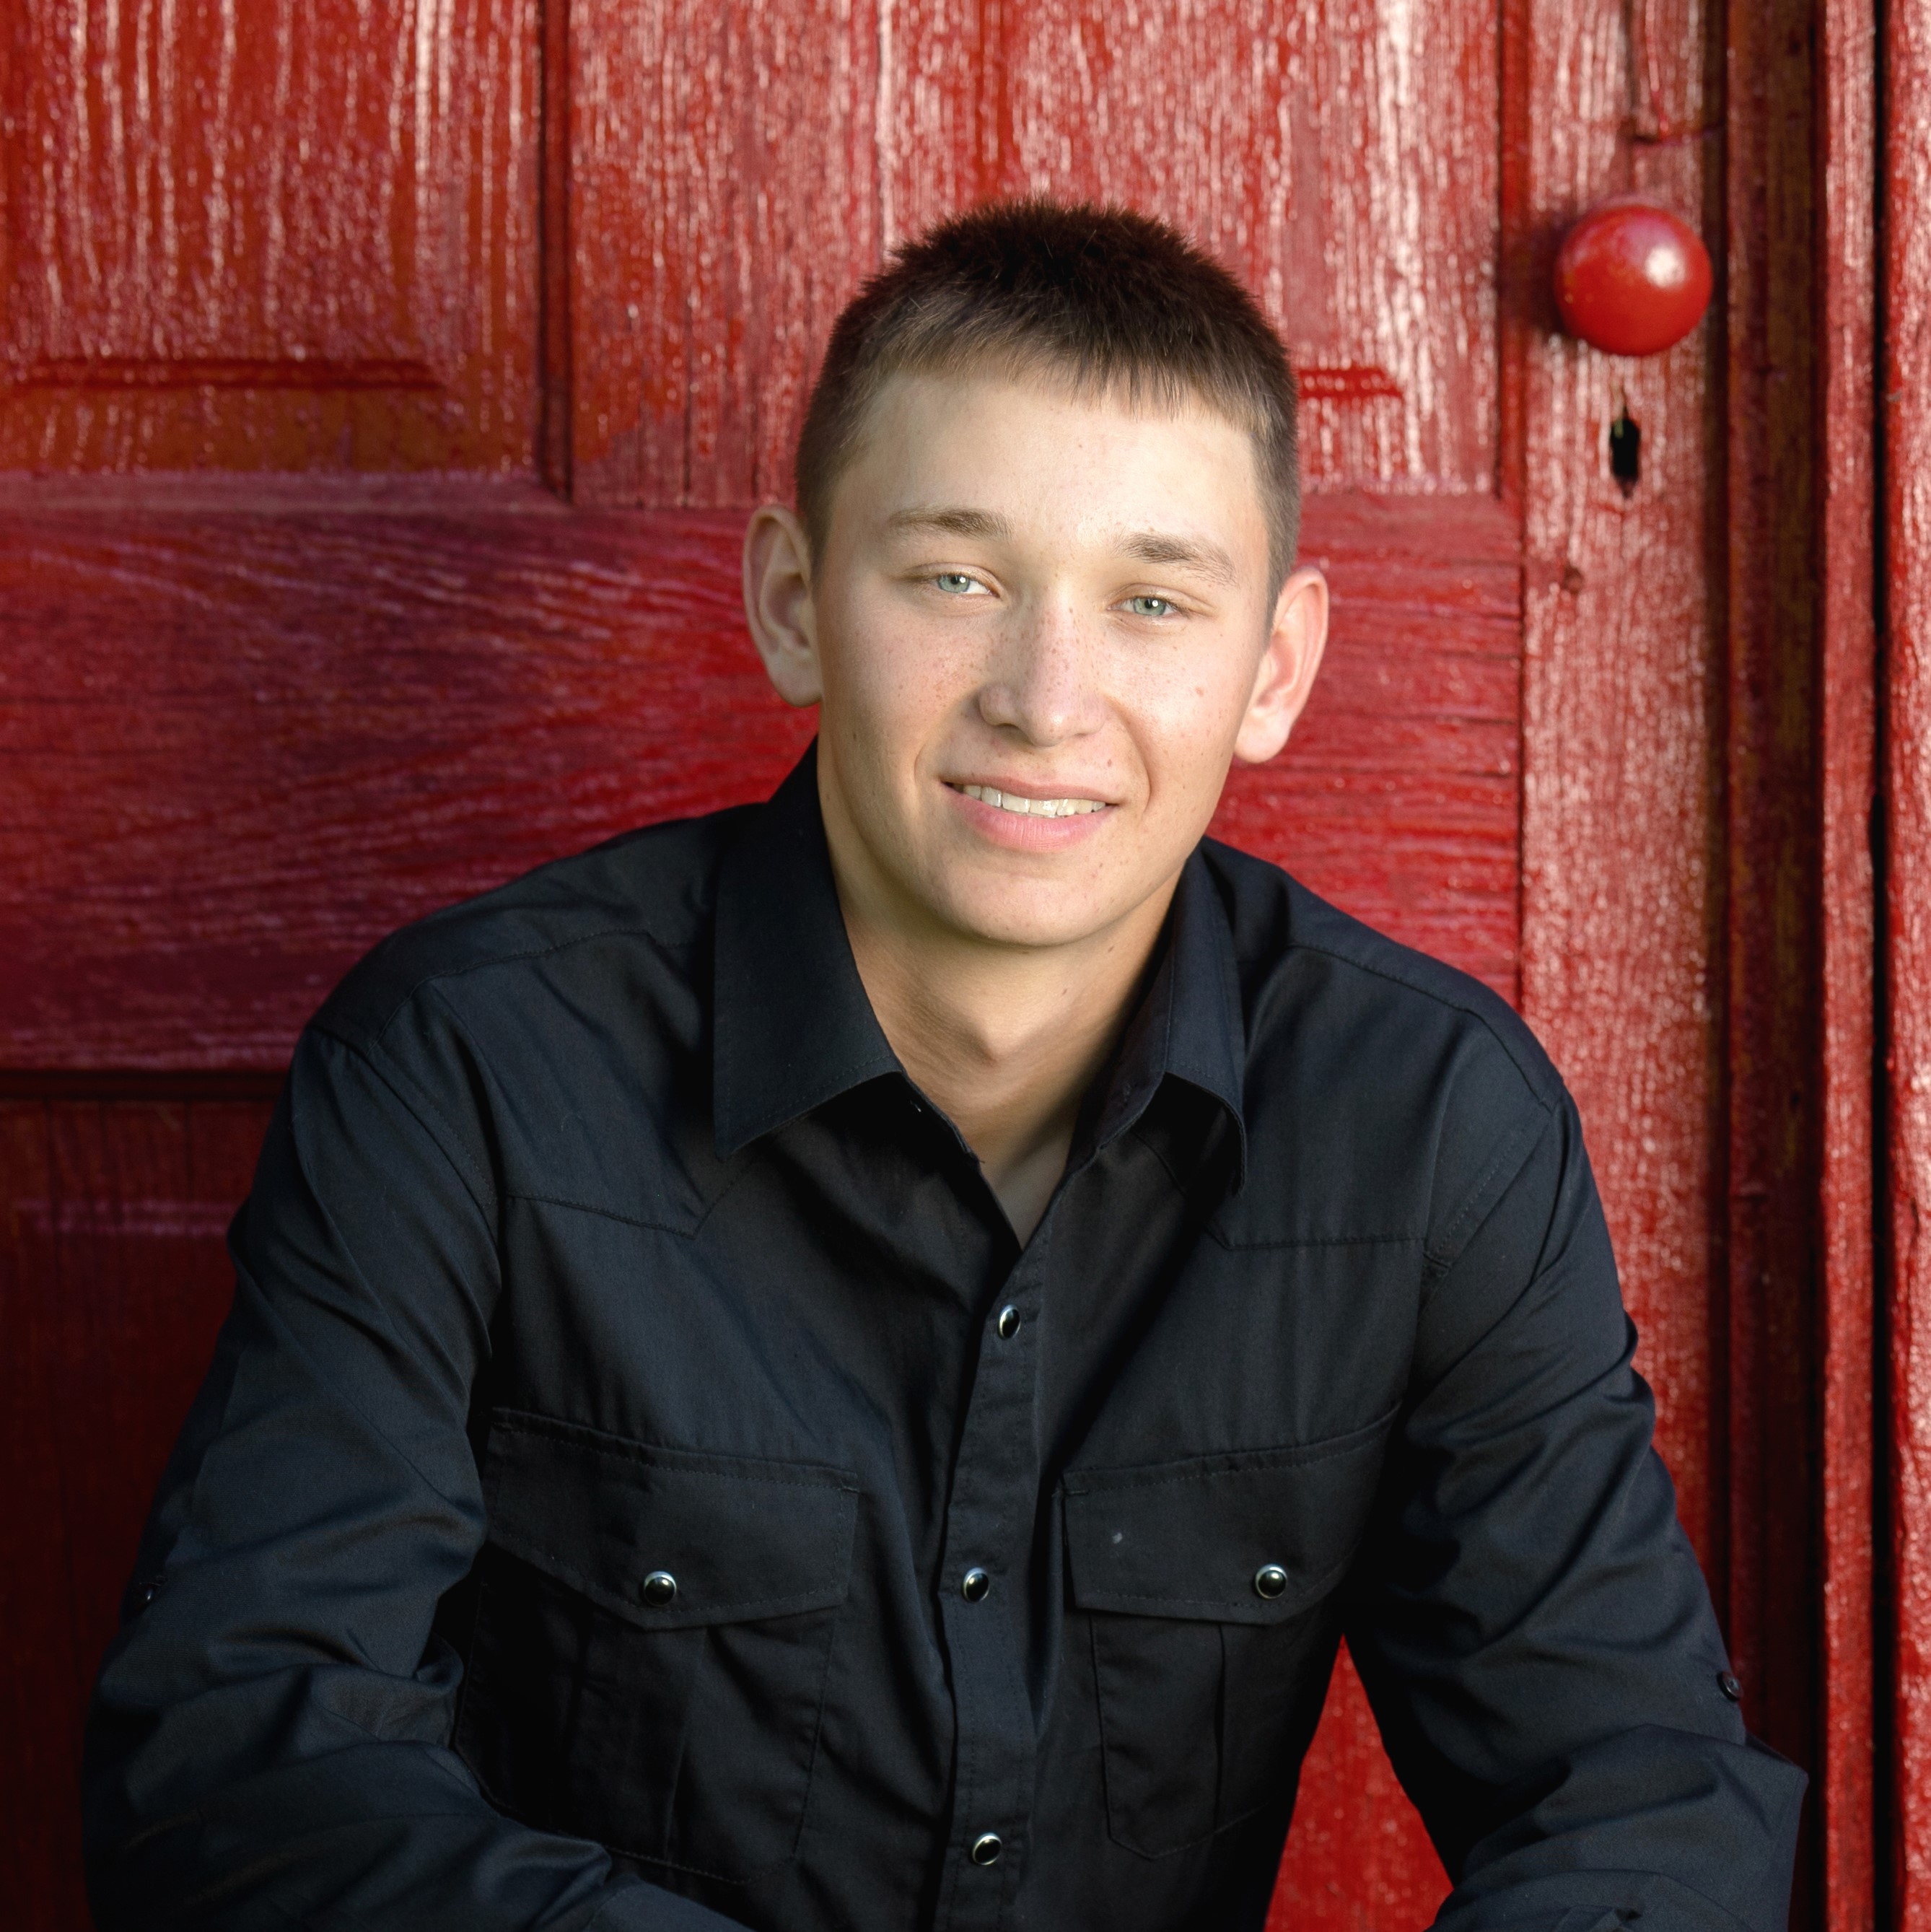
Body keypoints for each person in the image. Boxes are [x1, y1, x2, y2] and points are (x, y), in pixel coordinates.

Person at [83, 201, 1803, 1932]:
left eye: (1151, 599)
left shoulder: (1425, 1122)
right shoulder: (466, 1069)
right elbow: (245, 1768)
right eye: (958, 579)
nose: (1047, 700)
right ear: (794, 604)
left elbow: (1642, 1798)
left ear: (1271, 669)